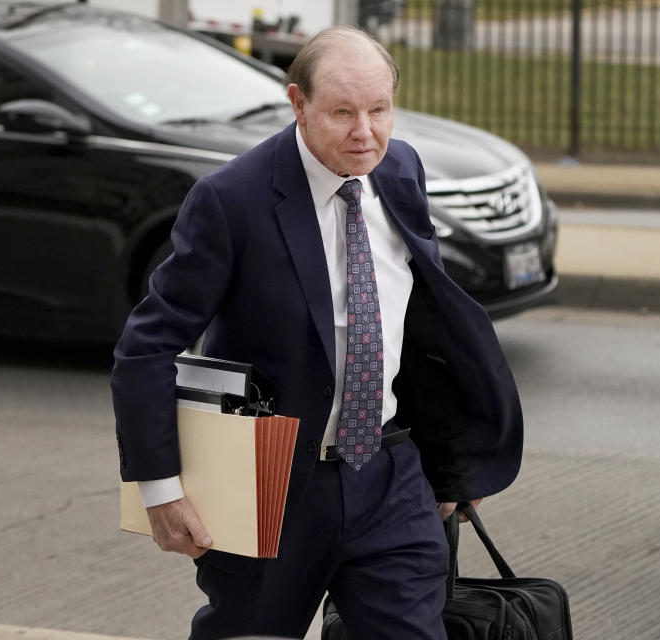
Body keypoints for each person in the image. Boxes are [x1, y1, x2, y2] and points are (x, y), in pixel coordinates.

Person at [111, 25, 523, 640]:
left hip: (389, 474)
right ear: (298, 103)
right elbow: (145, 348)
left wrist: (453, 462)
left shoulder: (400, 168)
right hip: (272, 487)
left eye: (379, 110)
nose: (366, 133)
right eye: (342, 113)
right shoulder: (231, 201)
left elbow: (422, 323)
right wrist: (160, 490)